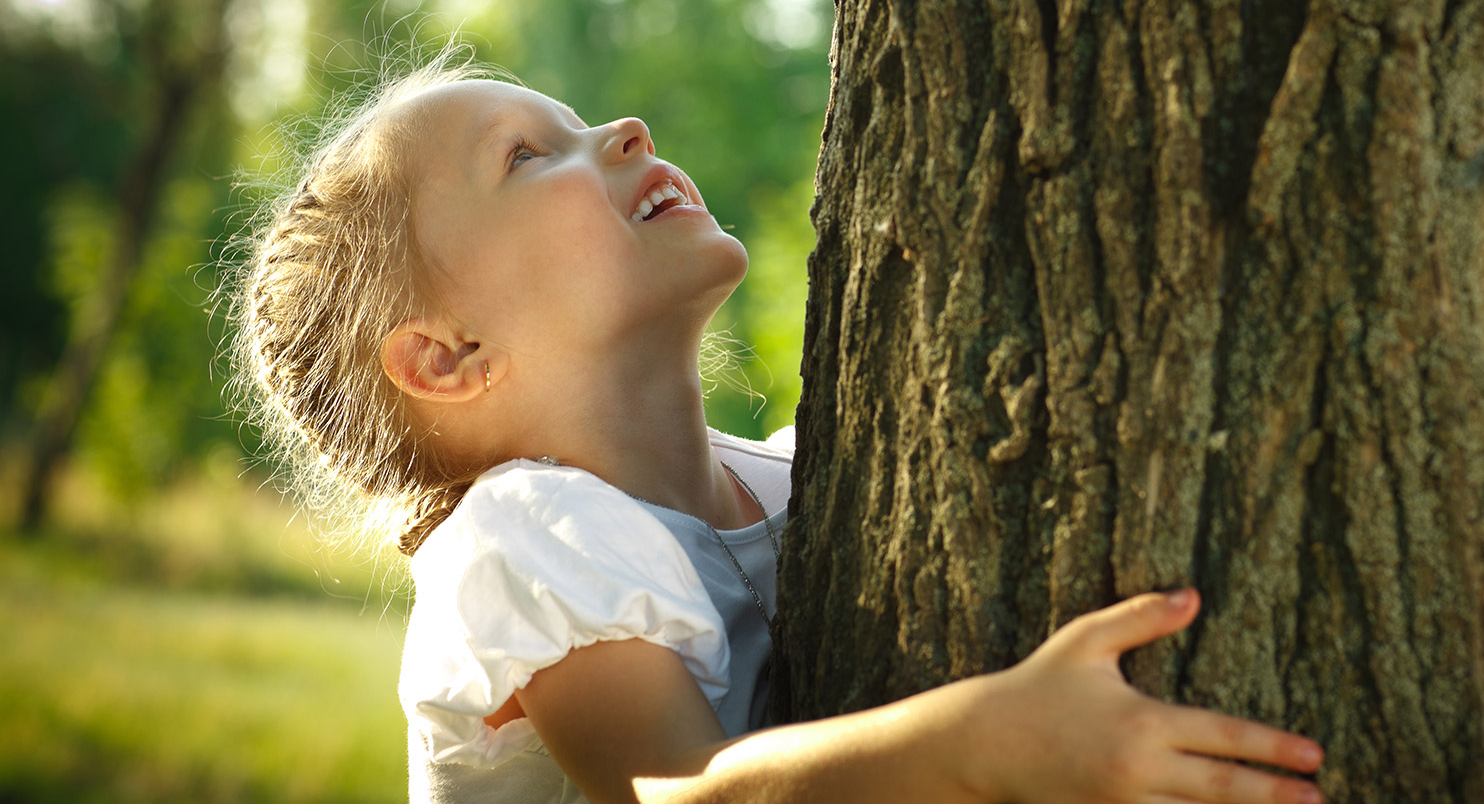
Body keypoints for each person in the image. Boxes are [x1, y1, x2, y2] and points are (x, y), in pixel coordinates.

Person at [232, 50, 1326, 804]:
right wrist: (989, 743)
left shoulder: (812, 474)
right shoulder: (524, 545)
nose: (624, 128)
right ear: (448, 355)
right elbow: (681, 791)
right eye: (526, 154)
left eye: (578, 121)